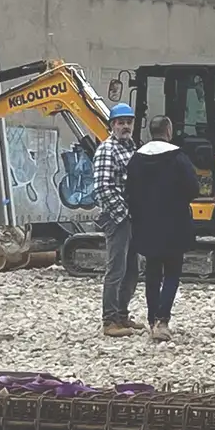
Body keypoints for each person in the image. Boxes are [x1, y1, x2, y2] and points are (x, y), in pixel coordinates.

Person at [122, 114, 199, 342]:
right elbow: (193, 189)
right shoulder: (179, 158)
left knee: (153, 273)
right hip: (175, 222)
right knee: (173, 272)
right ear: (168, 131)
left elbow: (129, 191)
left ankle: (151, 318)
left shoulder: (136, 159)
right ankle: (163, 320)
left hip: (146, 223)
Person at [91, 103, 139, 337]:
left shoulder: (130, 147)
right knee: (116, 270)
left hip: (130, 217)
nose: (126, 126)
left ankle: (122, 315)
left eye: (128, 122)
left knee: (132, 269)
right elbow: (102, 187)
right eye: (121, 122)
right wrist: (123, 215)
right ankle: (109, 320)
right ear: (112, 125)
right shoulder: (107, 150)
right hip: (116, 217)